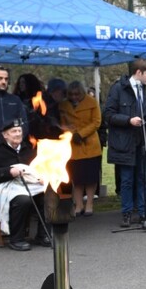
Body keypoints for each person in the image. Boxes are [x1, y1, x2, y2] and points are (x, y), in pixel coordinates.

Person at [0, 119, 51, 251]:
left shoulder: (28, 148)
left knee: (48, 195)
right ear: (5, 134)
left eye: (19, 131)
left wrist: (42, 176)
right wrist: (8, 172)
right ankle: (16, 239)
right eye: (13, 131)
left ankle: (42, 235)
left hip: (31, 184)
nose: (18, 134)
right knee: (23, 200)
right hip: (6, 186)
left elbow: (39, 167)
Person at [104, 59, 146, 228]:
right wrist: (128, 120)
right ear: (138, 73)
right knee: (127, 180)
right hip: (125, 142)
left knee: (143, 179)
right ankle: (126, 213)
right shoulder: (119, 88)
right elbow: (109, 115)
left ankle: (143, 213)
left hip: (143, 140)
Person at [59, 80, 102, 217]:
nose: (74, 97)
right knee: (76, 177)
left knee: (90, 177)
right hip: (72, 146)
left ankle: (89, 203)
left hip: (90, 145)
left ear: (82, 93)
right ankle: (78, 204)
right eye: (71, 94)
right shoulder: (64, 105)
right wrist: (71, 133)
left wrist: (81, 134)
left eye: (77, 94)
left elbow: (96, 122)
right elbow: (62, 123)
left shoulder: (91, 102)